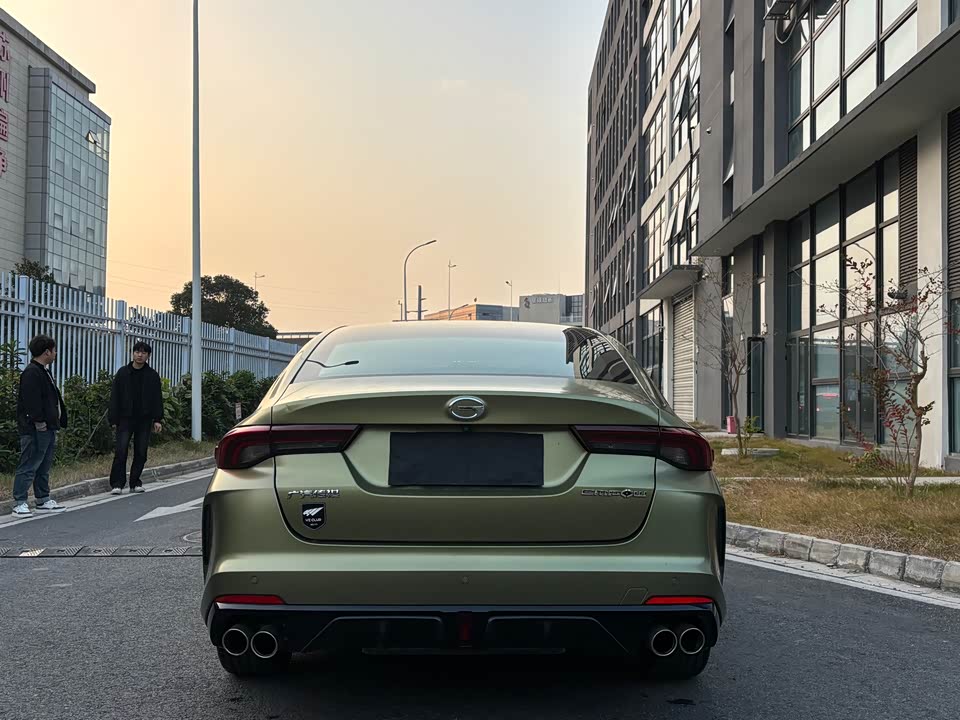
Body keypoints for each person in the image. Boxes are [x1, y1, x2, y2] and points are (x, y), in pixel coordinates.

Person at [12, 334, 68, 517]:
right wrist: (39, 422)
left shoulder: (44, 370)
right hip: (36, 428)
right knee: (30, 463)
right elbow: (31, 401)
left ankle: (42, 499)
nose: (55, 353)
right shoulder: (31, 372)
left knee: (44, 465)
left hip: (49, 427)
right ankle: (19, 502)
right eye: (54, 350)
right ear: (47, 352)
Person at [108, 341, 164, 494]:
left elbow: (157, 398)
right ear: (132, 353)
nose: (140, 355)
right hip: (125, 418)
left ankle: (135, 482)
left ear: (148, 356)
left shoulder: (152, 376)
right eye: (137, 352)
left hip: (144, 419)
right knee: (121, 450)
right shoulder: (122, 373)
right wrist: (113, 419)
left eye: (144, 352)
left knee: (141, 451)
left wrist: (157, 419)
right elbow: (115, 397)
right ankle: (117, 484)